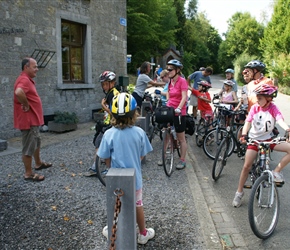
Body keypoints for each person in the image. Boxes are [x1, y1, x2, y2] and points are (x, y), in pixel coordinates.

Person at [97, 93, 155, 245]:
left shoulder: (108, 134)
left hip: (114, 178)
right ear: (135, 113)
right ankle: (142, 233)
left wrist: (111, 167)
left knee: (115, 203)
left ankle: (112, 229)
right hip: (135, 179)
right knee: (137, 204)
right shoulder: (140, 133)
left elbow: (105, 157)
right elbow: (142, 155)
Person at [232, 84, 290, 208]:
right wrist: (244, 134)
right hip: (254, 140)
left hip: (268, 140)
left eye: (260, 98)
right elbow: (247, 122)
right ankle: (239, 192)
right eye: (257, 97)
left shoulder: (273, 108)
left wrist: (288, 129)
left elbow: (280, 120)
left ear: (268, 98)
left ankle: (276, 172)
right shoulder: (255, 108)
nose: (257, 100)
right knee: (247, 166)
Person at [14, 58, 52, 182]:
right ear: (26, 67)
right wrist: (26, 104)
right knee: (29, 146)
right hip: (28, 121)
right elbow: (19, 92)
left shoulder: (27, 79)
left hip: (33, 120)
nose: (37, 69)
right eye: (34, 67)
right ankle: (28, 173)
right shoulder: (24, 80)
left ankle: (38, 163)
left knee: (36, 142)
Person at [84, 71, 119, 176]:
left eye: (106, 84)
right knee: (101, 142)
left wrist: (103, 106)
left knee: (100, 142)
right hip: (108, 123)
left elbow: (114, 113)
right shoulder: (110, 93)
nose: (104, 86)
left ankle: (97, 167)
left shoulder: (113, 94)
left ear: (112, 83)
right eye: (102, 84)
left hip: (111, 124)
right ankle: (103, 164)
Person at [166, 59, 188, 170]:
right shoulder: (170, 81)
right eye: (167, 69)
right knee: (166, 131)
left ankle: (182, 160)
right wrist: (166, 105)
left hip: (179, 112)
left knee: (181, 138)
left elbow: (184, 96)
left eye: (171, 69)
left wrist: (179, 108)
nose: (168, 71)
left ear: (177, 70)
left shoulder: (182, 81)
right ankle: (165, 155)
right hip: (170, 110)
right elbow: (169, 96)